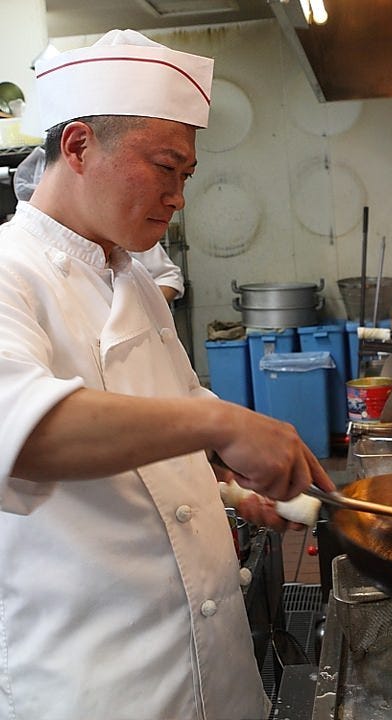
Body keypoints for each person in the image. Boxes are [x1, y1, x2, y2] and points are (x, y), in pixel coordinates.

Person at [0, 28, 334, 720]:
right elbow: (24, 434)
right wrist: (220, 423)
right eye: (165, 168)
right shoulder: (11, 271)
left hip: (212, 666)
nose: (179, 197)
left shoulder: (131, 276)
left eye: (187, 176)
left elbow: (167, 411)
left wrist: (228, 481)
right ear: (78, 146)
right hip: (99, 686)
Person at [14, 145, 186, 303]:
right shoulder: (15, 264)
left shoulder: (124, 230)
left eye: (186, 175)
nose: (178, 201)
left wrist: (139, 315)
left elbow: (168, 277)